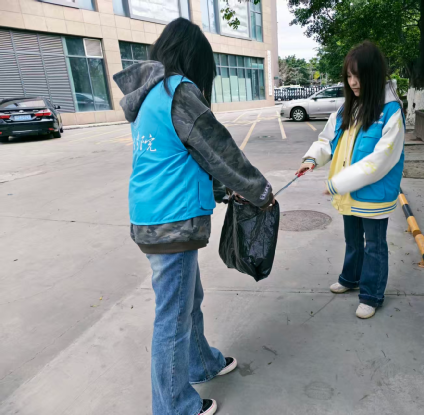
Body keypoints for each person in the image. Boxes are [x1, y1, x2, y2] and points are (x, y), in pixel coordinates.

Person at [114, 18, 275, 416]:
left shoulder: (149, 97)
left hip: (151, 217)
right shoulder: (178, 91)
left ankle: (202, 362)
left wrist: (222, 190)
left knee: (188, 299)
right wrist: (259, 190)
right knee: (172, 317)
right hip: (173, 221)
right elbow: (218, 149)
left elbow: (180, 158)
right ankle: (173, 407)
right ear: (193, 58)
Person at [297, 41, 405, 320]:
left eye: (358, 75)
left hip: (374, 194)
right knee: (353, 240)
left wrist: (337, 183)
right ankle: (351, 278)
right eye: (348, 76)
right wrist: (312, 158)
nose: (353, 82)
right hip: (349, 193)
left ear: (374, 75)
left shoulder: (390, 112)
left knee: (374, 245)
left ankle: (371, 295)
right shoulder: (348, 107)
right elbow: (327, 139)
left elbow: (380, 161)